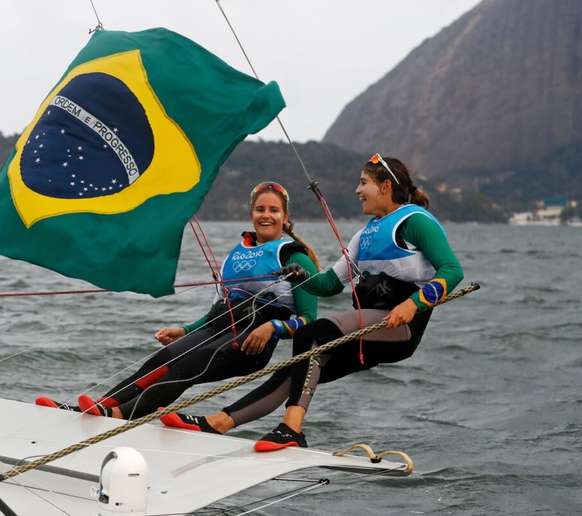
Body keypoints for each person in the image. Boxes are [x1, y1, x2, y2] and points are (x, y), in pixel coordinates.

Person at [161, 154, 464, 451]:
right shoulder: (364, 235)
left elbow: (452, 271)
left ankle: (291, 429)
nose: (358, 190)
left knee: (311, 334)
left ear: (385, 186)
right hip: (367, 328)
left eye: (363, 183)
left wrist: (413, 304)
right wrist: (297, 274)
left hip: (401, 328)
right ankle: (219, 422)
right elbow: (329, 285)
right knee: (295, 368)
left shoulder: (415, 221)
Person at [37, 182, 321, 420]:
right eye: (260, 209)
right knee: (163, 358)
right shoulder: (237, 256)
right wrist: (186, 330)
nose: (266, 215)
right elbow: (217, 310)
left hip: (251, 344)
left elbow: (309, 320)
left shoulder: (295, 257)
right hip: (219, 327)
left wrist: (274, 327)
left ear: (285, 217)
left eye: (274, 210)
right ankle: (97, 409)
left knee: (188, 365)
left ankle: (118, 416)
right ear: (251, 214)